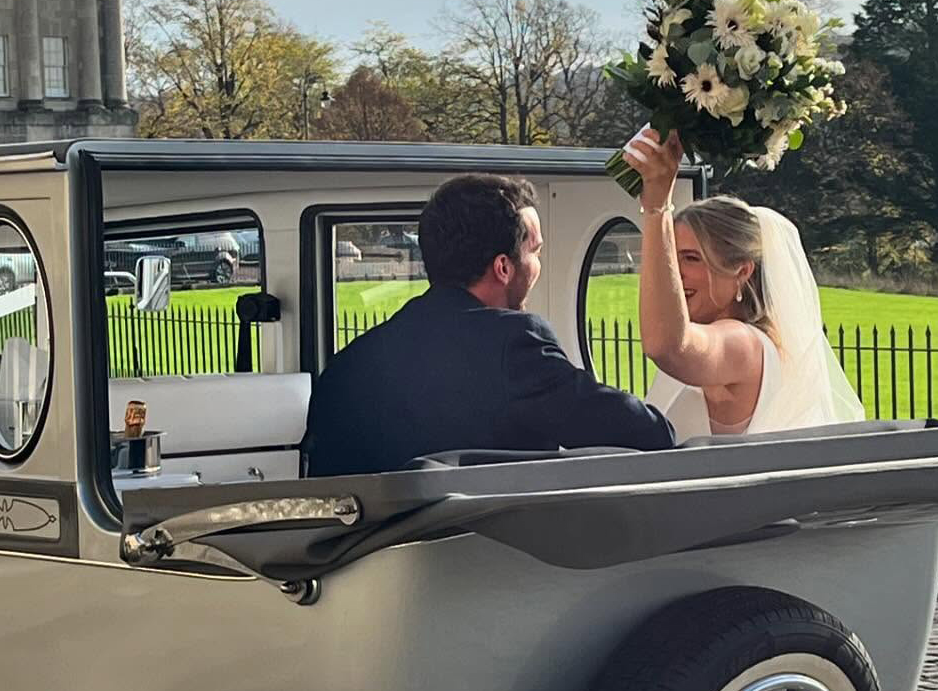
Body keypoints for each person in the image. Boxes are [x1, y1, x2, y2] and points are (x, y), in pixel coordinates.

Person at [302, 173, 675, 477]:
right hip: (486, 558)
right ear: (503, 267)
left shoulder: (347, 365)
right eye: (535, 251)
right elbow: (645, 433)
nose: (538, 265)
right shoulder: (513, 346)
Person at [620, 126, 864, 440]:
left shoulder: (744, 344)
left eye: (692, 258)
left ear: (741, 271)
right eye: (673, 257)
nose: (674, 273)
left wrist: (656, 209)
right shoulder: (714, 336)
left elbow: (667, 346)